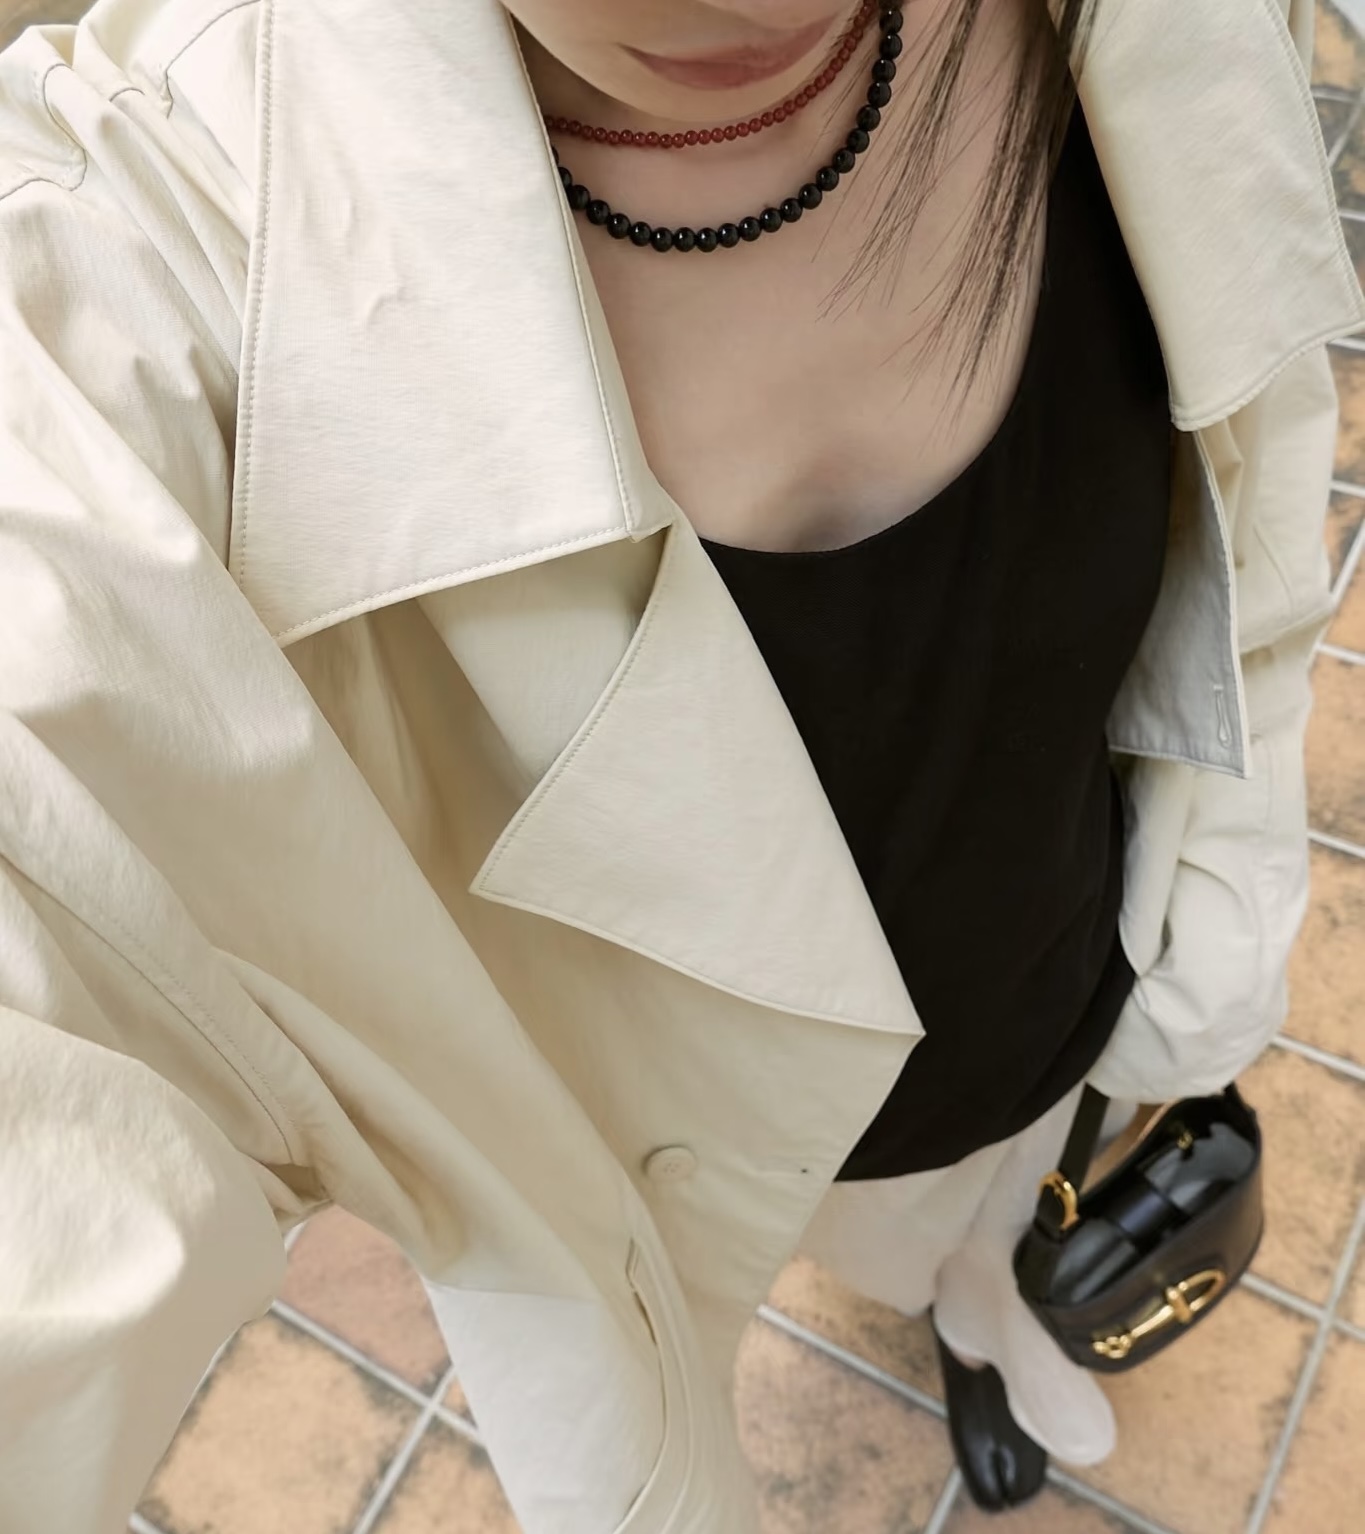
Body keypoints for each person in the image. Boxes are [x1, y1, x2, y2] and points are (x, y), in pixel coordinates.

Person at [0, 0, 1358, 1530]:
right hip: (679, 1168)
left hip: (1053, 975)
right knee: (800, 1268)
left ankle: (976, 1326)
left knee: (977, 1230)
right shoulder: (148, 276)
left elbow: (1238, 520)